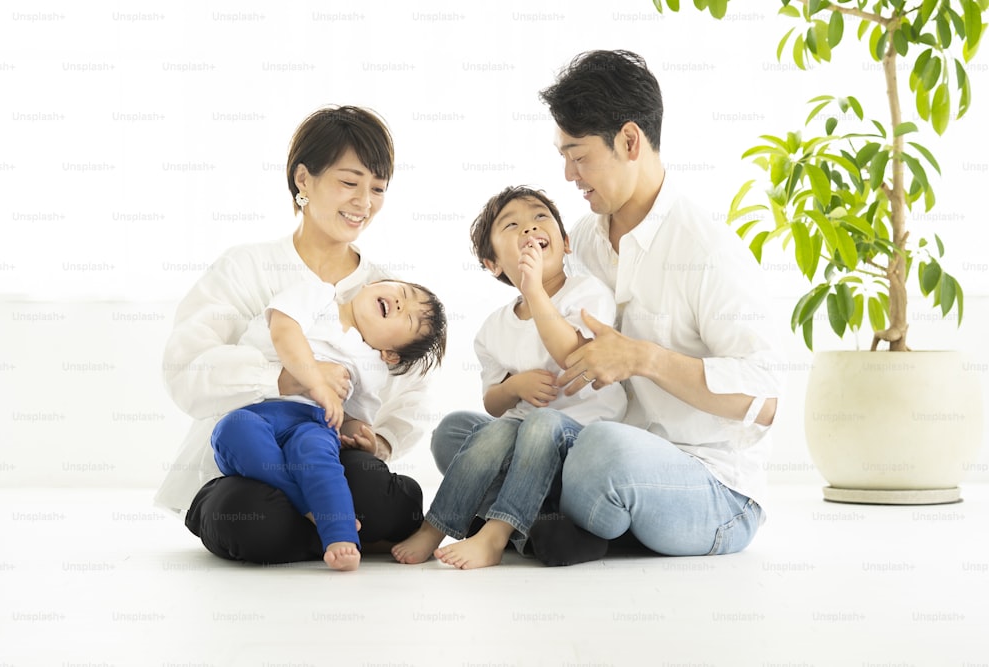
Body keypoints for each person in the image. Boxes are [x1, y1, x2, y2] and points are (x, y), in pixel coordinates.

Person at [430, 50, 786, 566]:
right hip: (584, 451)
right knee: (461, 438)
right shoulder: (583, 240)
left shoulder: (706, 250)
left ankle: (542, 524)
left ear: (629, 141)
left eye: (578, 155)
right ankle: (561, 525)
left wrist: (643, 359)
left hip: (707, 484)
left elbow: (766, 399)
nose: (568, 174)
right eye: (563, 156)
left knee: (600, 456)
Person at [155, 105, 432, 564]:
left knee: (376, 490)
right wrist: (290, 378)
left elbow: (411, 395)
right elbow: (185, 368)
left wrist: (376, 441)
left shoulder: (387, 292)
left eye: (377, 188)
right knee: (244, 514)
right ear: (303, 180)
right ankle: (338, 527)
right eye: (349, 182)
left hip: (325, 454)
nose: (364, 201)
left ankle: (325, 525)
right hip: (246, 462)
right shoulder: (246, 267)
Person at [392, 186, 626, 569]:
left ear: (565, 243)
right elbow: (493, 403)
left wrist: (535, 292)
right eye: (512, 225)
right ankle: (440, 525)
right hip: (523, 446)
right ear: (493, 264)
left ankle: (496, 532)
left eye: (539, 218)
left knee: (540, 423)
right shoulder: (493, 329)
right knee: (457, 430)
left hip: (581, 440)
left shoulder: (586, 293)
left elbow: (576, 359)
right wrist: (513, 388)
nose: (530, 229)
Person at [210, 278, 446, 571]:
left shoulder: (371, 366)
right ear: (371, 284)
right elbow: (284, 330)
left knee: (317, 456)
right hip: (259, 410)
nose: (400, 303)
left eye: (408, 317)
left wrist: (363, 438)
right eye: (403, 293)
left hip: (312, 422)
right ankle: (310, 509)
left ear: (390, 354)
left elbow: (349, 417)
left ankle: (341, 536)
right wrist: (316, 382)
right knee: (235, 429)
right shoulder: (318, 294)